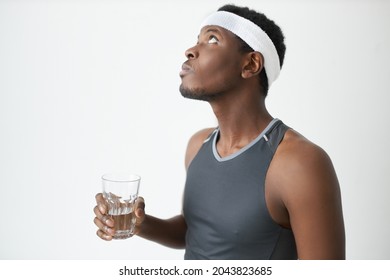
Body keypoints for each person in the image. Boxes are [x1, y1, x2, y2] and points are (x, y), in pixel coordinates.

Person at [93, 4, 345, 260]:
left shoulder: (299, 163)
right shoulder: (198, 145)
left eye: (212, 39)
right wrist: (138, 223)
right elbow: (193, 232)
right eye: (197, 40)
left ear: (251, 64)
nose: (191, 51)